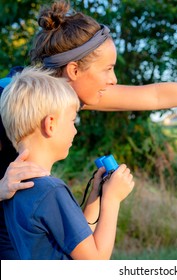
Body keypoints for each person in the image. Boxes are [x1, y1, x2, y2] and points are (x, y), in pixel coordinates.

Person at [0, 0, 177, 259]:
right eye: (107, 69)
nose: (114, 79)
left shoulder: (59, 98)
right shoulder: (8, 99)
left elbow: (154, 97)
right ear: (73, 70)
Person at [0, 67, 134, 259]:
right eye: (72, 121)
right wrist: (112, 200)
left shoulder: (14, 188)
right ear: (51, 124)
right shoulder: (51, 191)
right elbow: (95, 261)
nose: (75, 131)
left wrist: (96, 195)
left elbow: (79, 241)